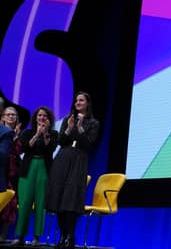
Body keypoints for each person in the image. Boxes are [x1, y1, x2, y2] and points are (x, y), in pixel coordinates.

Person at [45, 92, 99, 249]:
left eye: (81, 100)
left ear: (87, 103)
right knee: (59, 198)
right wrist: (69, 128)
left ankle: (70, 235)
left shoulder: (94, 123)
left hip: (79, 159)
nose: (77, 102)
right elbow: (61, 141)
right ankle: (62, 235)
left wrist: (80, 128)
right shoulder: (68, 119)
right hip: (63, 157)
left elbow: (89, 144)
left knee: (71, 198)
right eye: (76, 100)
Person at [11, 106, 58, 246]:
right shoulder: (27, 133)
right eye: (39, 116)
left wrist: (44, 134)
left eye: (44, 116)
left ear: (49, 119)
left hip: (44, 168)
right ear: (35, 118)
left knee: (40, 204)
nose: (42, 118)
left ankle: (37, 237)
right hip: (28, 169)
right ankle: (19, 236)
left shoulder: (53, 134)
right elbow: (25, 148)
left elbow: (50, 149)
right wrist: (37, 134)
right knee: (24, 203)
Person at [0, 106, 22, 242]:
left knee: (10, 204)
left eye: (13, 115)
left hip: (13, 170)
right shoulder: (4, 133)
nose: (11, 117)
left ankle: (3, 235)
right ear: (3, 117)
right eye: (8, 114)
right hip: (3, 169)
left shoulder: (20, 134)